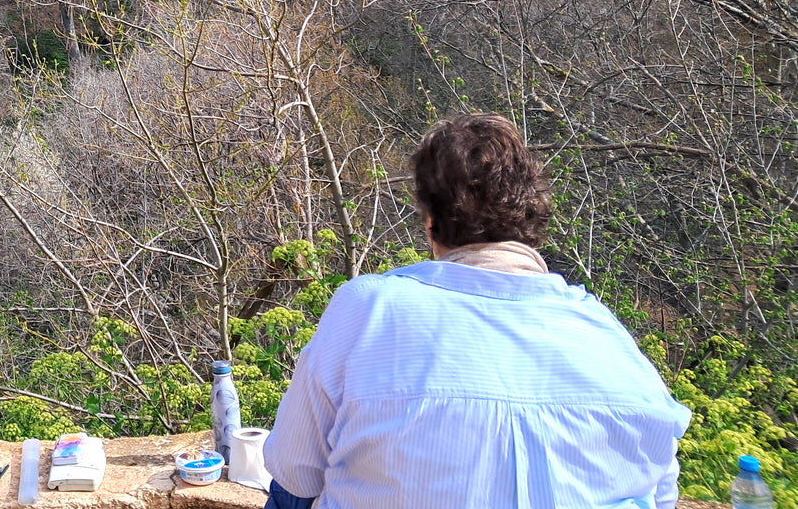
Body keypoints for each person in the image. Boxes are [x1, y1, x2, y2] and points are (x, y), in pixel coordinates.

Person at [262, 113, 691, 509]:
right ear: (532, 219)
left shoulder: (369, 307)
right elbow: (663, 490)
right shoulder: (606, 333)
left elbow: (297, 472)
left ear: (430, 222)